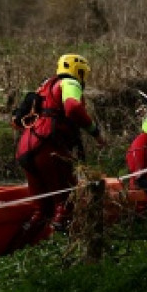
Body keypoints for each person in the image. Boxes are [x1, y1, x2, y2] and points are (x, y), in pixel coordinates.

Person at [14, 53, 104, 234]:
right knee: (66, 201)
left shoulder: (44, 88)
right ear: (77, 71)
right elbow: (73, 107)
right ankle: (63, 238)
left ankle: (30, 236)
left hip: (25, 147)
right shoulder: (70, 83)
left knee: (41, 207)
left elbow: (16, 121)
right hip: (48, 147)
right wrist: (95, 132)